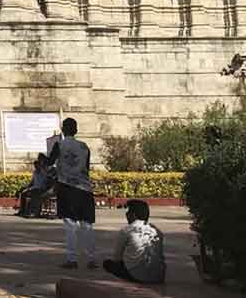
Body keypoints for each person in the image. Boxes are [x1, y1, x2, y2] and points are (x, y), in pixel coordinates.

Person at [48, 117, 97, 269]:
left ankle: (72, 259)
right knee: (87, 225)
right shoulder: (84, 147)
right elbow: (86, 168)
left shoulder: (59, 145)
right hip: (85, 189)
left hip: (67, 188)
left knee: (70, 225)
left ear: (63, 130)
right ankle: (91, 259)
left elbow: (50, 163)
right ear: (76, 130)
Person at [104, 199, 166, 285]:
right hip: (159, 276)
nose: (126, 214)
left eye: (128, 212)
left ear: (133, 215)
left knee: (108, 264)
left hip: (137, 276)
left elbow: (117, 258)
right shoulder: (156, 231)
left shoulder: (126, 230)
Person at [16, 153, 52, 218]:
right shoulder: (35, 172)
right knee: (23, 193)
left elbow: (47, 180)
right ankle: (22, 211)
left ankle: (33, 212)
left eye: (37, 165)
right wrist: (26, 187)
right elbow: (32, 182)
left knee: (34, 194)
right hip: (34, 188)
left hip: (41, 189)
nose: (35, 167)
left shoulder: (43, 171)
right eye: (35, 166)